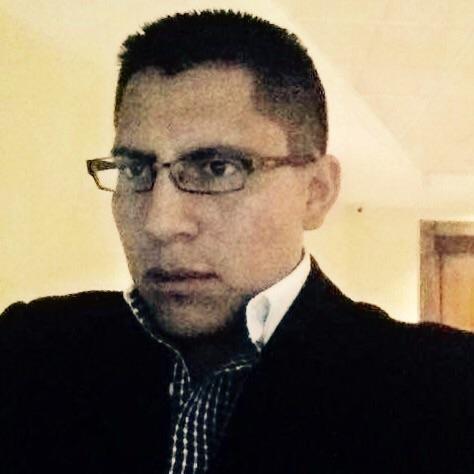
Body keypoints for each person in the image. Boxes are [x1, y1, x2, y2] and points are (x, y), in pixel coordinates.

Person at [1, 10, 473, 474]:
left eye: (217, 168)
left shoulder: (445, 392)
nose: (160, 223)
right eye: (135, 169)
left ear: (316, 192)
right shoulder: (29, 352)